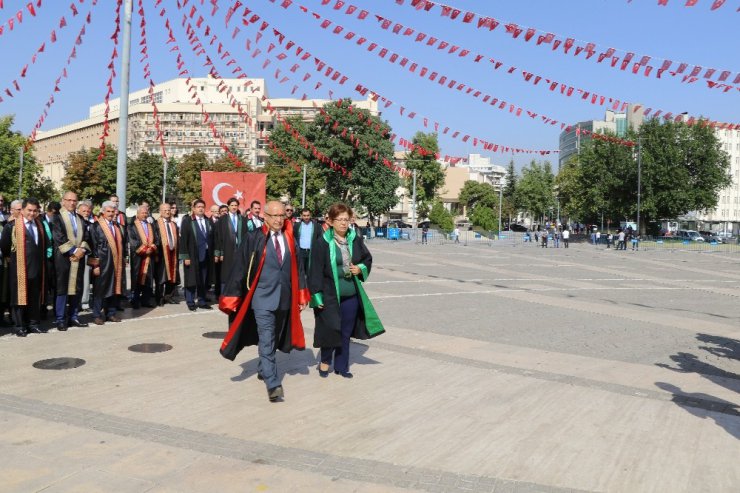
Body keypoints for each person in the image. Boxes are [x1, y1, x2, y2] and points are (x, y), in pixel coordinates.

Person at [219, 201, 309, 402]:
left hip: (284, 298)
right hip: (261, 298)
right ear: (264, 217)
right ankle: (273, 383)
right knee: (267, 337)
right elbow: (240, 268)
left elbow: (299, 268)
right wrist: (231, 295)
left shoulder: (290, 238)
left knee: (274, 338)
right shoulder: (254, 238)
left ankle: (263, 367)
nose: (278, 220)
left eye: (281, 216)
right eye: (274, 216)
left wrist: (302, 295)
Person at [309, 203, 385, 379]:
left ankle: (342, 366)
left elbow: (367, 259)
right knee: (330, 329)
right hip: (329, 296)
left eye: (346, 219)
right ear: (331, 221)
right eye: (339, 220)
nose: (343, 223)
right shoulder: (322, 243)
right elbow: (314, 271)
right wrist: (316, 295)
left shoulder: (355, 240)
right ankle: (325, 361)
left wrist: (360, 268)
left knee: (345, 332)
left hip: (351, 295)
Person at [0, 198, 49, 337]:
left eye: (35, 211)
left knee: (34, 297)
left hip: (37, 268)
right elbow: (4, 246)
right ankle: (19, 326)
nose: (32, 213)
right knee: (18, 299)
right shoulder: (12, 226)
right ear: (22, 210)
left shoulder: (39, 225)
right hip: (19, 268)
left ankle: (33, 324)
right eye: (29, 210)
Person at [50, 191, 90, 331]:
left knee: (77, 287)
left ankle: (73, 316)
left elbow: (86, 236)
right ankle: (60, 318)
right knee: (62, 288)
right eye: (69, 200)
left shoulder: (80, 218)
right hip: (63, 258)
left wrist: (82, 250)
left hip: (79, 258)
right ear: (63, 200)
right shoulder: (57, 217)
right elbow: (58, 237)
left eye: (74, 200)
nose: (72, 203)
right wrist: (74, 251)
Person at [88, 201, 126, 325]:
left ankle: (111, 313)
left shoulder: (117, 226)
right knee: (100, 289)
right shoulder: (96, 226)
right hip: (102, 264)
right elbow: (93, 246)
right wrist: (95, 265)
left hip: (115, 263)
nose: (110, 214)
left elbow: (122, 245)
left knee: (114, 288)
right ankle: (97, 314)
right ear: (103, 212)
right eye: (108, 211)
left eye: (112, 211)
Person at [180, 198, 214, 311]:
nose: (201, 209)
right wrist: (185, 256)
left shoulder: (208, 221)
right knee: (191, 280)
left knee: (203, 280)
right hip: (192, 256)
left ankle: (202, 301)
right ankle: (190, 301)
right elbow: (183, 240)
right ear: (193, 209)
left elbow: (211, 238)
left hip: (206, 256)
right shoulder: (188, 221)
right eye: (198, 207)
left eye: (202, 207)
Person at [127, 204, 159, 309]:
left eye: (146, 213)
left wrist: (152, 248)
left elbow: (157, 239)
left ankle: (146, 300)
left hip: (150, 257)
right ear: (137, 214)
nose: (145, 215)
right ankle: (135, 300)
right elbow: (133, 242)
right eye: (142, 213)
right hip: (138, 257)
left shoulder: (151, 225)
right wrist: (145, 250)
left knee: (149, 279)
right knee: (137, 278)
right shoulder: (132, 226)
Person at [214, 197, 247, 294]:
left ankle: (237, 295)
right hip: (226, 251)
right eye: (232, 205)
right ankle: (224, 295)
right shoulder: (222, 220)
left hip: (239, 251)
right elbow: (218, 237)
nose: (234, 207)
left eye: (236, 205)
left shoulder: (243, 219)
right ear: (228, 206)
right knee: (226, 274)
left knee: (238, 273)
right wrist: (219, 253)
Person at [154, 203, 180, 306]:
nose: (167, 212)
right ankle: (159, 298)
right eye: (165, 210)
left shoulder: (173, 224)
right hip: (161, 255)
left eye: (169, 210)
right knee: (161, 278)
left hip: (173, 254)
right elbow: (155, 239)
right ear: (160, 211)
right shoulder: (156, 224)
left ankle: (168, 296)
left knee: (172, 277)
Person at [77, 200, 94, 311]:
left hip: (88, 253)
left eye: (88, 211)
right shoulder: (75, 222)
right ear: (78, 211)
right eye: (84, 210)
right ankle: (75, 302)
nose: (86, 212)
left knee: (86, 279)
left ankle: (84, 302)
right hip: (75, 253)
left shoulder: (92, 224)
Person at [294, 208, 320, 275]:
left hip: (312, 252)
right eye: (304, 215)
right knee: (301, 271)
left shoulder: (316, 226)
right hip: (301, 252)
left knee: (310, 272)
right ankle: (302, 285)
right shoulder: (297, 226)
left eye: (308, 215)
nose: (306, 217)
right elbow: (294, 238)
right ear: (301, 216)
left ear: (310, 215)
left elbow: (319, 239)